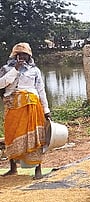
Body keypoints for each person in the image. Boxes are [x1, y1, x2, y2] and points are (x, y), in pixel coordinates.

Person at [0, 42, 51, 179]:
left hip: (32, 106)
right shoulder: (6, 68)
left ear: (29, 56)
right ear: (15, 56)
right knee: (11, 134)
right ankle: (12, 168)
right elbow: (2, 84)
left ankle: (38, 170)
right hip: (13, 106)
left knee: (36, 137)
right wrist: (15, 69)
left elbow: (41, 90)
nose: (22, 57)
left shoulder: (35, 71)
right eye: (19, 54)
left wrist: (46, 109)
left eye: (25, 55)